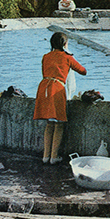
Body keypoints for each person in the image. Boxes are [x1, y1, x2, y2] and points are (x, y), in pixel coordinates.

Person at [33, 32, 86, 164]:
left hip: (43, 87)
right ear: (65, 44)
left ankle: (45, 156)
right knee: (59, 123)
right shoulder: (67, 57)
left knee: (49, 124)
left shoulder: (46, 56)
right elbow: (83, 71)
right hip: (57, 88)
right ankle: (54, 156)